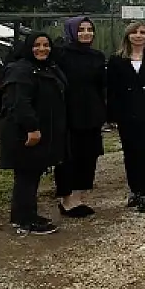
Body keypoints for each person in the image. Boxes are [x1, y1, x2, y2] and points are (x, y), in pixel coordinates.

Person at [0, 32, 67, 235]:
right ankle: (24, 219)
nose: (42, 49)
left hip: (43, 130)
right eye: (37, 45)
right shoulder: (20, 70)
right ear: (28, 48)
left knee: (33, 173)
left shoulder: (48, 67)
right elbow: (19, 103)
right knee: (26, 175)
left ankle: (26, 214)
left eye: (46, 45)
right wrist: (32, 128)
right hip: (25, 132)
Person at [107, 22, 145, 213]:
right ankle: (134, 190)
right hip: (126, 113)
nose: (138, 35)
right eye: (134, 32)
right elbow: (112, 89)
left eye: (142, 32)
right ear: (128, 36)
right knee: (130, 153)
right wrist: (112, 115)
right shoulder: (117, 59)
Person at [51, 16, 106, 218]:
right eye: (81, 29)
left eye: (89, 29)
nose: (86, 33)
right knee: (68, 156)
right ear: (72, 32)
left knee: (88, 156)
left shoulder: (97, 56)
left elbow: (102, 85)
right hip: (68, 112)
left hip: (91, 112)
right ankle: (66, 200)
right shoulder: (60, 55)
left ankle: (79, 196)